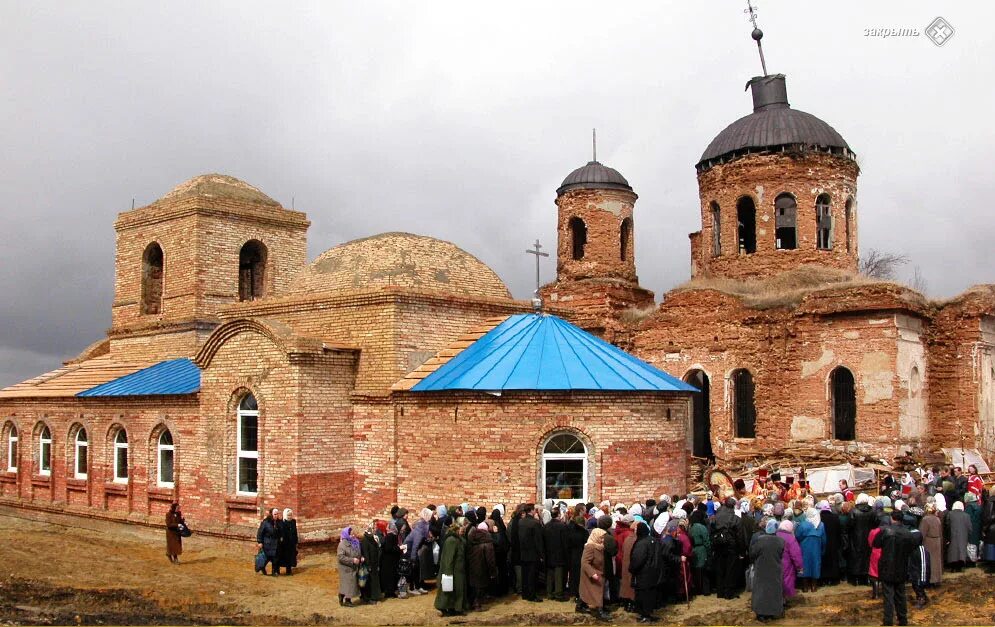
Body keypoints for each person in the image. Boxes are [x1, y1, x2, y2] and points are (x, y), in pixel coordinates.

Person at [873, 511, 915, 627]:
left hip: (887, 566)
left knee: (888, 595)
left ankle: (888, 621)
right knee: (900, 594)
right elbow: (912, 547)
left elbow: (876, 544)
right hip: (901, 566)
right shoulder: (907, 533)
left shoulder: (886, 531)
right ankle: (903, 620)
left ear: (892, 518)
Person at [750, 519, 785, 622]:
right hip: (775, 569)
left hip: (761, 568)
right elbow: (781, 555)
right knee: (773, 590)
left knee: (761, 590)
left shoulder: (760, 540)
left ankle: (761, 613)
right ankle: (772, 612)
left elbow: (752, 553)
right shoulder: (780, 541)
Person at [628, 521, 661, 623]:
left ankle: (645, 615)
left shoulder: (641, 543)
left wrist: (632, 568)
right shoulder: (654, 540)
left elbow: (638, 559)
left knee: (643, 595)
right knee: (650, 594)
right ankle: (648, 613)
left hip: (643, 574)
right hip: (654, 573)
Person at [711, 497, 743, 599]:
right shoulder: (735, 518)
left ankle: (720, 591)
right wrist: (741, 550)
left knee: (720, 568)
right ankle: (728, 592)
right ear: (733, 506)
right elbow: (739, 536)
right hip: (731, 546)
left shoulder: (716, 516)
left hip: (718, 545)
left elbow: (712, 529)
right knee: (730, 569)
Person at [435, 522, 468, 616]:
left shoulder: (459, 540)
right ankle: (445, 608)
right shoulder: (451, 540)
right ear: (456, 530)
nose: (463, 531)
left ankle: (455, 608)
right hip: (453, 571)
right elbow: (449, 558)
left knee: (457, 591)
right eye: (461, 530)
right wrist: (448, 573)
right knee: (449, 590)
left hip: (458, 570)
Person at [579, 527, 610, 621]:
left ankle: (581, 606)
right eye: (601, 537)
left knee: (591, 592)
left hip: (598, 572)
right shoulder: (590, 546)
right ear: (595, 537)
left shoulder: (599, 546)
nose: (603, 540)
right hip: (593, 574)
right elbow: (584, 562)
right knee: (596, 593)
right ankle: (598, 611)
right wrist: (592, 573)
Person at [794, 505, 826, 593]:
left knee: (805, 565)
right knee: (815, 565)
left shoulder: (803, 525)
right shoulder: (821, 525)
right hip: (817, 547)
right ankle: (814, 586)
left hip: (804, 547)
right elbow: (824, 539)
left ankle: (805, 587)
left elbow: (797, 536)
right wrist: (823, 549)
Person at [467, 521, 496, 610]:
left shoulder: (472, 538)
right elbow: (490, 559)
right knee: (480, 586)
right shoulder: (487, 541)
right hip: (483, 566)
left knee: (474, 585)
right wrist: (493, 571)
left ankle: (471, 603)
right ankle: (477, 604)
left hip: (472, 565)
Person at [518, 504, 544, 602]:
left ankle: (525, 594)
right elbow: (538, 541)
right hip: (533, 553)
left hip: (524, 552)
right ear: (532, 510)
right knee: (532, 576)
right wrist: (541, 554)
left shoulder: (521, 522)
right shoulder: (535, 523)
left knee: (525, 574)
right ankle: (532, 595)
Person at [544, 507, 568, 601]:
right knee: (558, 575)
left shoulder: (546, 526)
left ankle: (549, 593)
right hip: (559, 554)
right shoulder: (562, 526)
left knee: (550, 574)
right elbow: (565, 542)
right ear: (558, 515)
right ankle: (558, 594)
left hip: (548, 553)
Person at [776, 520, 803, 602]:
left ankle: (777, 599)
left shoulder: (775, 534)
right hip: (786, 563)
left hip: (775, 562)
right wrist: (800, 566)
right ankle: (783, 600)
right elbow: (796, 553)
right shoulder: (790, 538)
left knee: (777, 581)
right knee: (786, 581)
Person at [565, 514, 589, 602]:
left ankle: (572, 592)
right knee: (580, 576)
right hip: (581, 555)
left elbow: (567, 544)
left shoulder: (570, 531)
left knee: (572, 575)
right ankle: (579, 593)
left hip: (571, 555)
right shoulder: (584, 532)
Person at [817, 501, 842, 585]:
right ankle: (833, 579)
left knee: (823, 560)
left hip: (822, 542)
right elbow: (839, 531)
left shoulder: (819, 517)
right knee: (833, 560)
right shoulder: (835, 517)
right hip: (833, 542)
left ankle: (824, 579)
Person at [919, 503, 943, 586]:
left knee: (929, 561)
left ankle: (930, 580)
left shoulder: (925, 519)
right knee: (936, 561)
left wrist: (920, 542)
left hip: (929, 542)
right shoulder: (937, 519)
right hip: (937, 541)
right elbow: (940, 532)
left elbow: (922, 533)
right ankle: (937, 579)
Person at [337, 527, 362, 606]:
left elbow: (358, 552)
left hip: (354, 567)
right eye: (351, 535)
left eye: (354, 534)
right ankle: (347, 600)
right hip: (346, 568)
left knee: (352, 584)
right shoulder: (342, 545)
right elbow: (341, 557)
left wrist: (361, 557)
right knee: (348, 584)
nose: (353, 536)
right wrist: (352, 560)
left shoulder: (355, 542)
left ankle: (343, 595)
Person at [944, 500, 972, 572]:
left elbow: (947, 525)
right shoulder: (966, 515)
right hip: (963, 536)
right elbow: (970, 528)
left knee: (953, 551)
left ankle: (953, 567)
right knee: (961, 551)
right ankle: (959, 567)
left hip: (952, 536)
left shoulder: (950, 514)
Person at [360, 522, 383, 604]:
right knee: (370, 582)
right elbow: (366, 553)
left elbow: (378, 550)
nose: (374, 530)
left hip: (375, 563)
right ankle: (370, 597)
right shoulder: (365, 540)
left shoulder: (374, 538)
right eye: (373, 528)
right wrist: (368, 564)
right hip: (369, 564)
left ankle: (376, 596)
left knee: (375, 581)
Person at [256, 508, 281, 576]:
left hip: (276, 543)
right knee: (267, 557)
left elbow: (280, 532)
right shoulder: (266, 522)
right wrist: (260, 541)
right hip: (268, 543)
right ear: (271, 514)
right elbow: (260, 532)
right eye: (275, 514)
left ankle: (274, 572)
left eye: (277, 514)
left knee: (275, 558)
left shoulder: (279, 522)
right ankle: (262, 567)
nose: (276, 516)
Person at [380, 520, 402, 598]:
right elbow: (389, 548)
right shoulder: (390, 536)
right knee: (390, 577)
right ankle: (389, 592)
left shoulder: (390, 536)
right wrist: (399, 549)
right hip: (389, 561)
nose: (386, 528)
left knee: (390, 576)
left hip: (389, 561)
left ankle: (390, 592)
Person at [278, 508, 298, 575]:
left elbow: (295, 532)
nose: (289, 517)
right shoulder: (282, 522)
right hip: (284, 544)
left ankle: (288, 571)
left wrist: (296, 541)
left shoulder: (293, 522)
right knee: (283, 557)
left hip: (291, 543)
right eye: (288, 515)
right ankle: (277, 570)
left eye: (290, 515)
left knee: (290, 557)